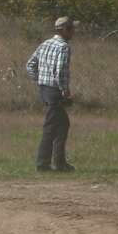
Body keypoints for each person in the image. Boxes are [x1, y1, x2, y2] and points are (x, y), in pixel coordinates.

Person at [26, 16, 78, 173]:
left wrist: (39, 79)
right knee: (51, 127)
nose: (74, 32)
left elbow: (30, 65)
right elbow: (61, 70)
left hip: (44, 89)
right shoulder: (63, 47)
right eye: (71, 29)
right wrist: (64, 89)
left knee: (62, 125)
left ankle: (60, 163)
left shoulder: (45, 43)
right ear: (64, 30)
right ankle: (43, 165)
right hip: (55, 90)